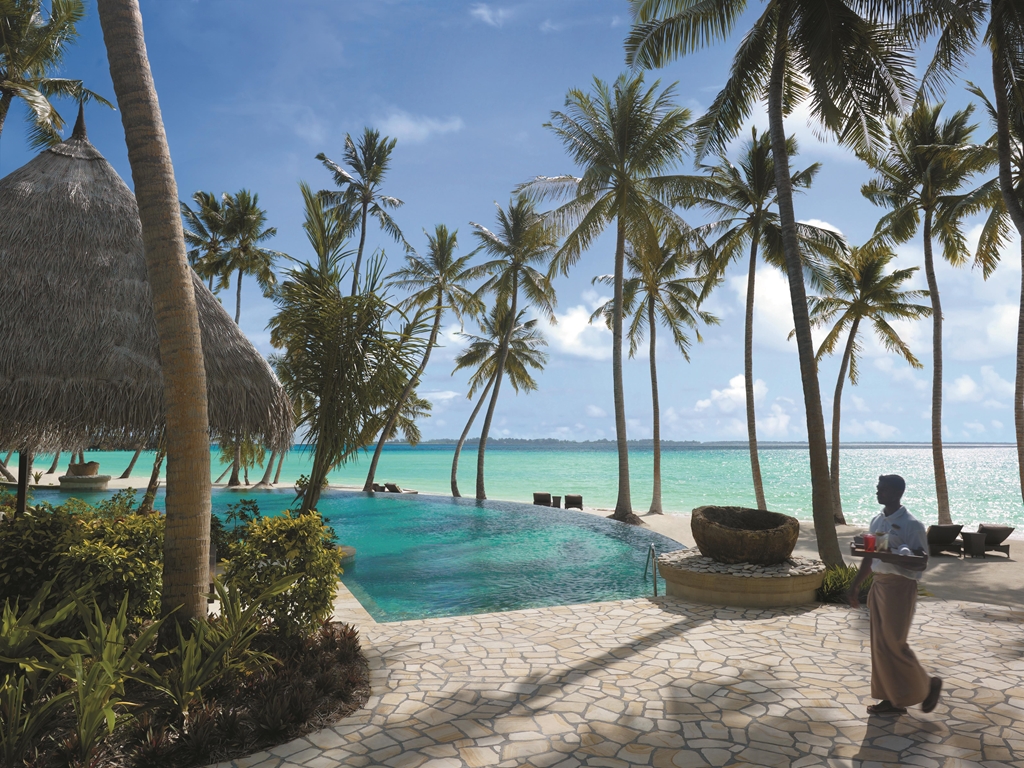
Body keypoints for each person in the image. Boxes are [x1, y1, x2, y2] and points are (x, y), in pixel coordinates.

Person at [847, 474, 942, 716]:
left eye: (883, 489)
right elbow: (870, 558)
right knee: (880, 646)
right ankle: (891, 699)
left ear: (897, 493)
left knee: (895, 644)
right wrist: (856, 585)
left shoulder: (912, 524)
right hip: (879, 585)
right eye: (878, 488)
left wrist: (895, 557)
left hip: (900, 588)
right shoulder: (877, 521)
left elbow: (921, 563)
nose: (877, 492)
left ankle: (928, 685)